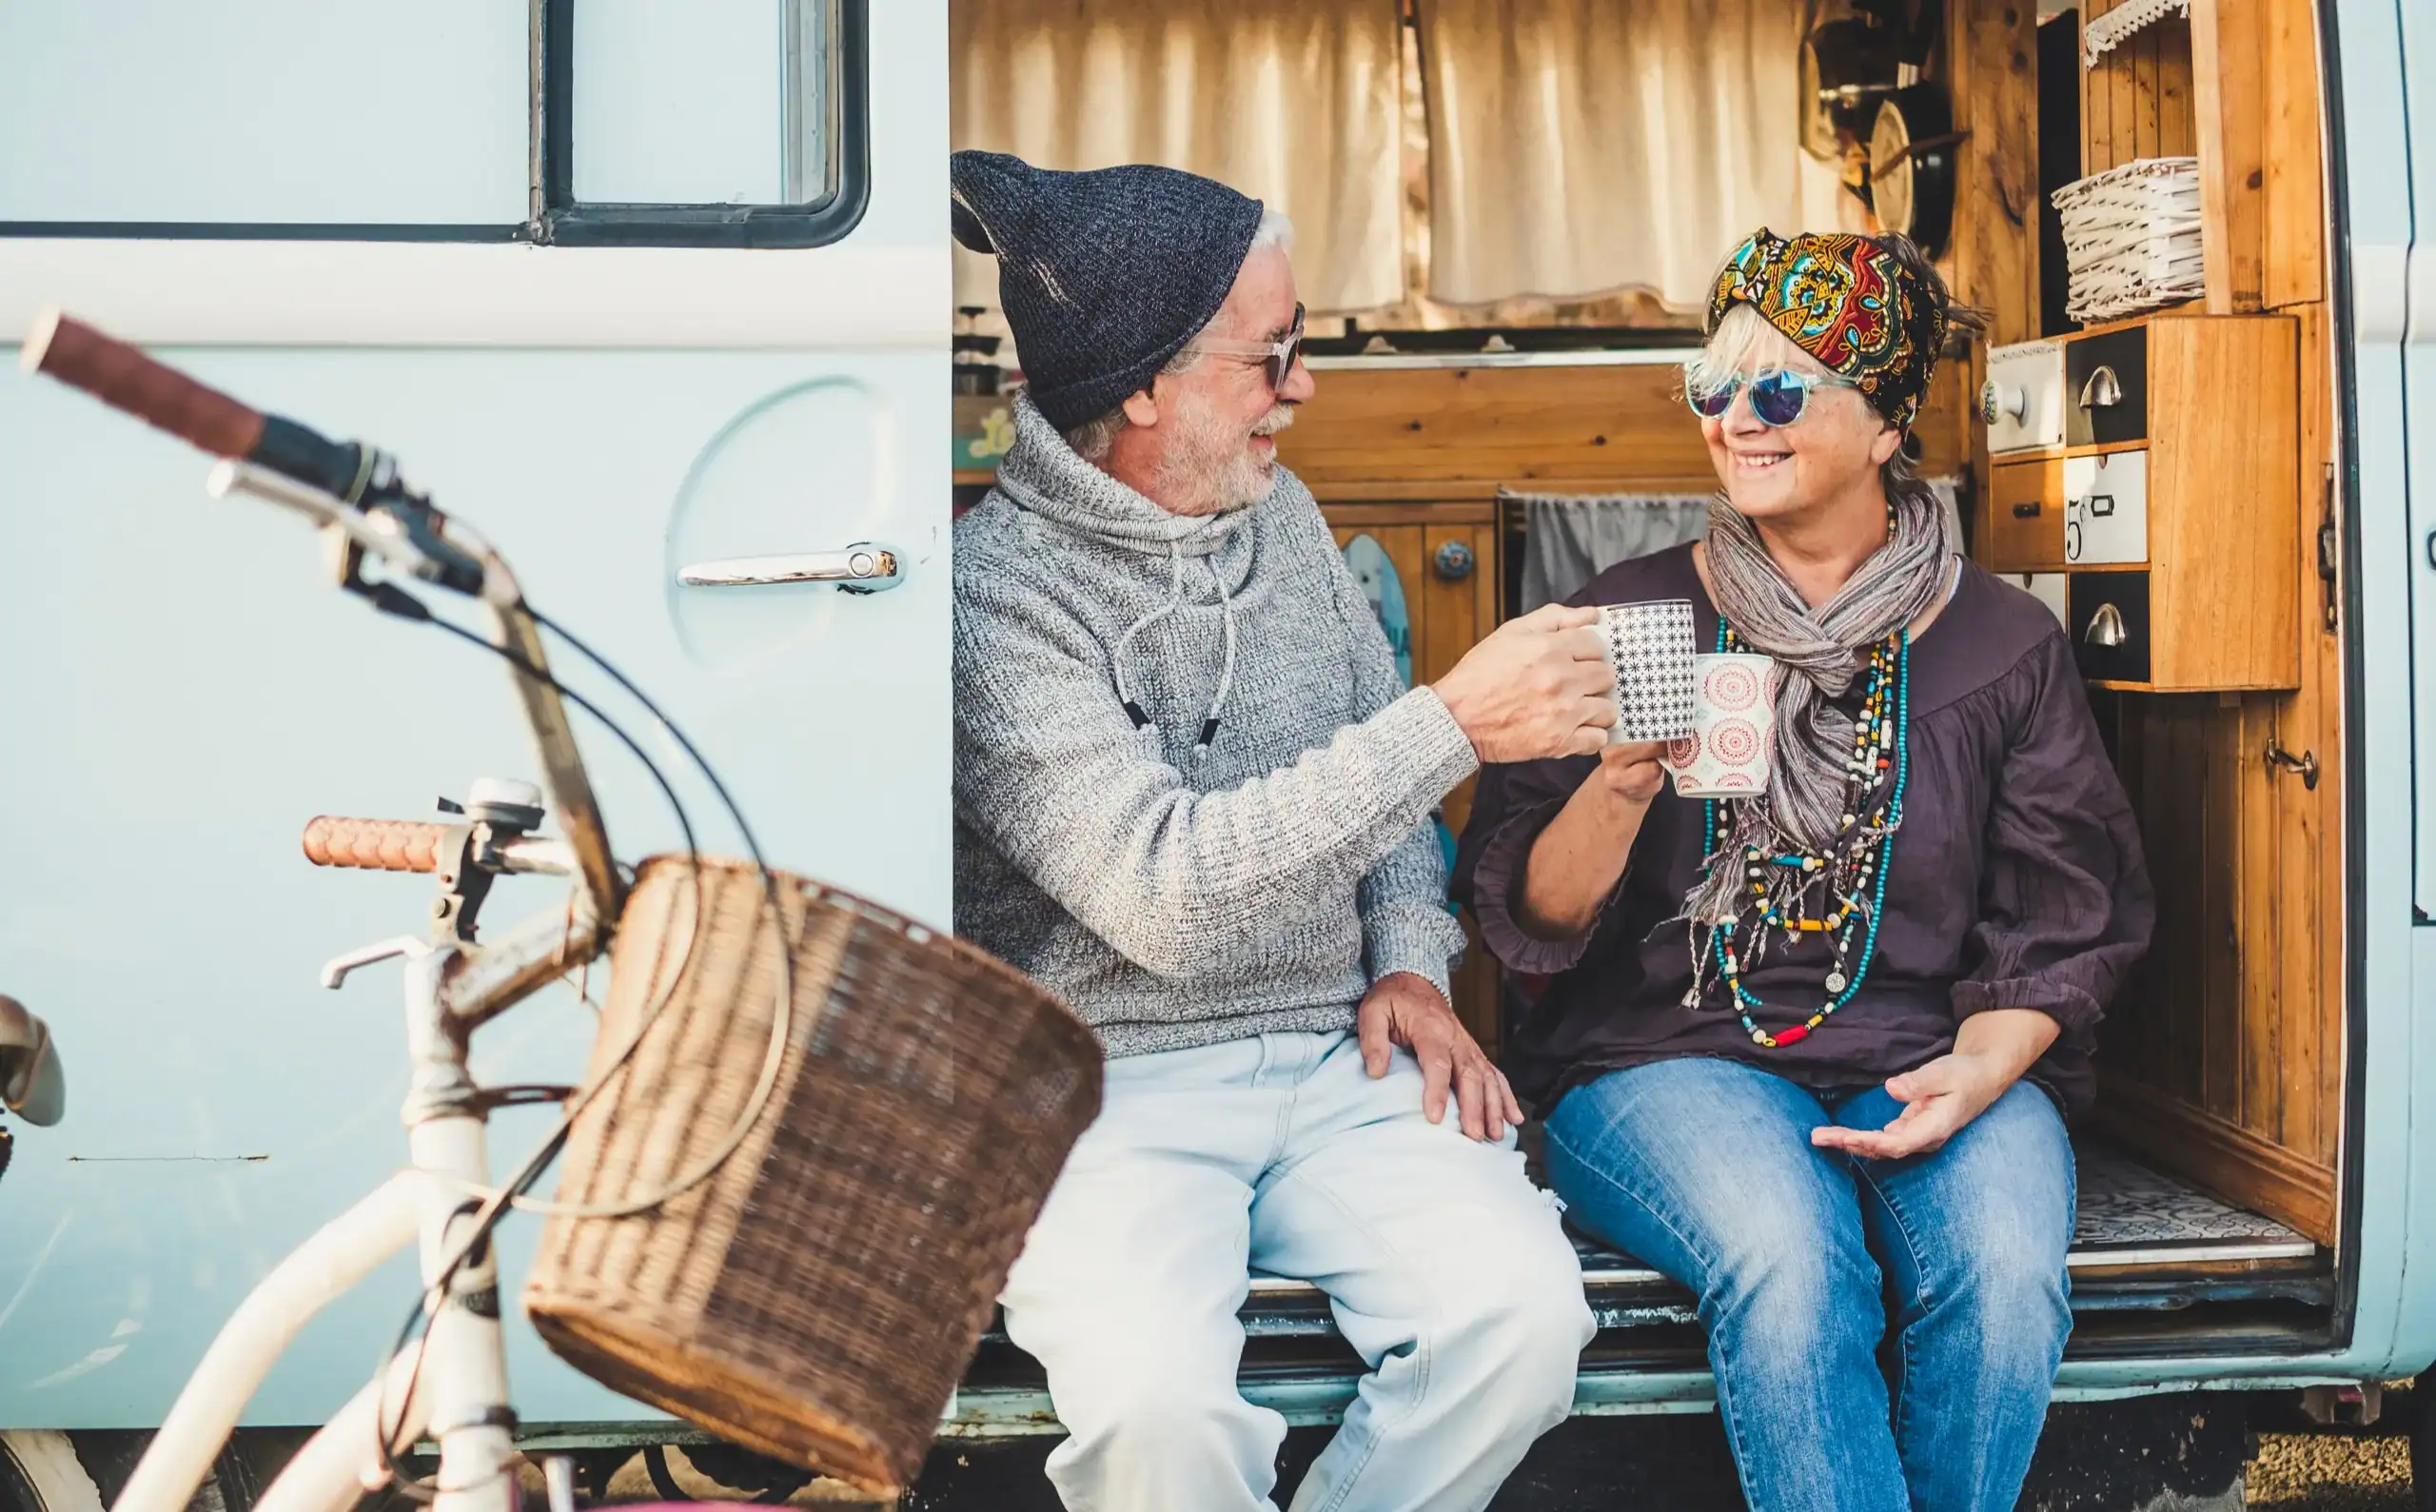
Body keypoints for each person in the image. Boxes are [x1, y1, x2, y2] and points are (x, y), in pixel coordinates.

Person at [1454, 228, 2155, 1512]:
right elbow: (1529, 919)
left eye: (1780, 390)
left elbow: (2062, 920)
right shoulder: (1630, 618)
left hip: (1933, 1050)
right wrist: (1620, 786)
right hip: (1662, 1059)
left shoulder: (2003, 644)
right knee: (1792, 1264)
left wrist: (1981, 1069)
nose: (1736, 420)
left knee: (2007, 1277)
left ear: (1886, 424)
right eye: (1712, 388)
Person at [949, 150, 1602, 1512]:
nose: (1303, 389)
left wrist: (1411, 957)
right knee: (1159, 1415)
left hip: (1334, 1057)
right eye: (1274, 356)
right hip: (1100, 1089)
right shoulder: (991, 600)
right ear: (1141, 386)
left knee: (1524, 1327)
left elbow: (1387, 803)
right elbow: (1167, 899)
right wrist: (1453, 721)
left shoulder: (1282, 517)